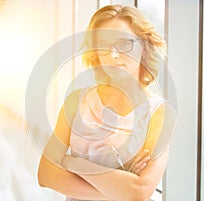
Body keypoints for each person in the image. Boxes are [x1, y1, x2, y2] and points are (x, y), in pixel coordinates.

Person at [37, 4, 175, 201]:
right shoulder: (76, 101)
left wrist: (73, 163)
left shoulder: (159, 113)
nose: (113, 56)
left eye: (124, 44)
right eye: (103, 46)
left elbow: (139, 191)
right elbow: (46, 175)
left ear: (144, 47)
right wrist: (119, 187)